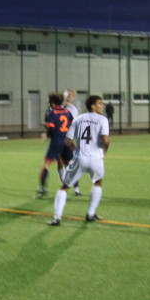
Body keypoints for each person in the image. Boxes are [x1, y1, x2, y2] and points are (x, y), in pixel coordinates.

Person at [49, 94, 110, 225]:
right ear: (92, 106)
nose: (102, 105)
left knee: (64, 186)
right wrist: (105, 151)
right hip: (96, 159)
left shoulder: (78, 119)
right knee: (98, 182)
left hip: (79, 158)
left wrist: (76, 149)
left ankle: (57, 217)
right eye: (100, 103)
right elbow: (105, 140)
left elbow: (68, 141)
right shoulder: (103, 120)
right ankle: (91, 213)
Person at [36, 92, 72, 198]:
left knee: (46, 164)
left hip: (57, 140)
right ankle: (68, 186)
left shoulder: (52, 113)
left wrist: (46, 135)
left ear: (52, 101)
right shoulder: (67, 111)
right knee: (68, 163)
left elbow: (51, 128)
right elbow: (72, 124)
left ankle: (42, 189)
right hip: (67, 140)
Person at [62, 88, 82, 196]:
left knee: (72, 164)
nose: (69, 96)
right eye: (68, 94)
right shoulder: (58, 108)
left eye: (71, 94)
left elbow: (75, 125)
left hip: (68, 141)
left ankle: (76, 189)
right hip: (59, 140)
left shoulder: (73, 109)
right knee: (63, 165)